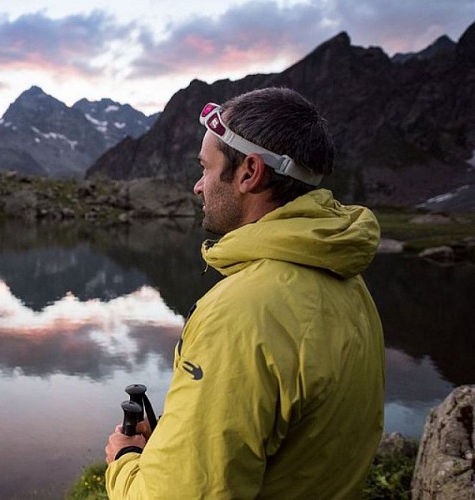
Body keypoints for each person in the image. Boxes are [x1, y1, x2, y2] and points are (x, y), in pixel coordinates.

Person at [104, 87, 385, 498]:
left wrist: (126, 462)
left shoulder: (239, 314)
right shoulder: (349, 283)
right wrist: (178, 441)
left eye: (206, 168)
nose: (198, 186)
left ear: (249, 173)